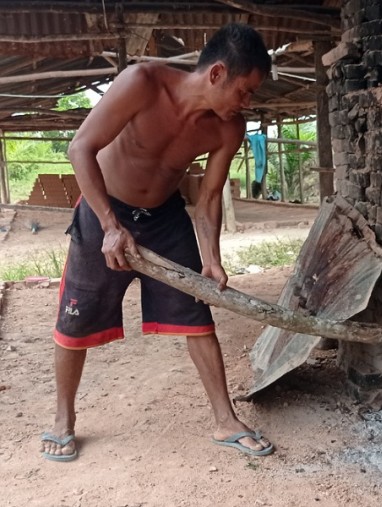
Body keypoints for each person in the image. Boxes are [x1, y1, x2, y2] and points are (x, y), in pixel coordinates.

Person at [40, 23, 274, 461]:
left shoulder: (228, 128)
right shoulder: (142, 83)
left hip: (166, 219)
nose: (248, 103)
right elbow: (80, 148)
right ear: (217, 73)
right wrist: (110, 225)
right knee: (76, 319)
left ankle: (225, 420)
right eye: (245, 91)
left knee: (197, 317)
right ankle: (63, 421)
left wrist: (212, 260)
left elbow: (207, 199)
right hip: (102, 210)